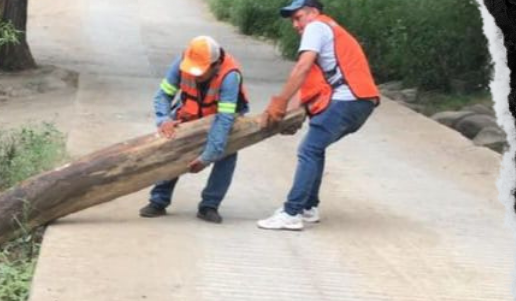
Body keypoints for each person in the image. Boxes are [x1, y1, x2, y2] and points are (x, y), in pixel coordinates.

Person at [257, 0, 380, 231]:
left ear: (313, 13)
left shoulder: (316, 27)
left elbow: (301, 68)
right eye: (292, 19)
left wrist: (279, 102)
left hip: (349, 99)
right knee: (316, 148)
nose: (295, 24)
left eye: (298, 17)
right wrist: (288, 114)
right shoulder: (330, 31)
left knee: (309, 150)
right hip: (361, 101)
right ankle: (308, 207)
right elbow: (308, 86)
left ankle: (292, 212)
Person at [139, 35, 250, 224]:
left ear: (215, 65)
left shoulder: (230, 76)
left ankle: (209, 205)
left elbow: (224, 121)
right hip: (189, 114)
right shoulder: (183, 61)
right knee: (171, 146)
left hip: (220, 120)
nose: (196, 75)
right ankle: (159, 200)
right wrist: (164, 119)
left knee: (226, 152)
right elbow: (163, 95)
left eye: (201, 71)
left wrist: (207, 157)